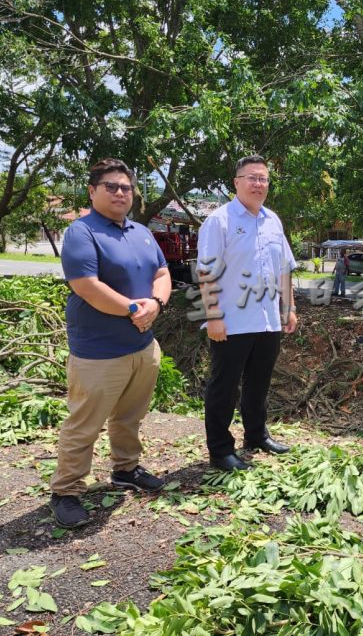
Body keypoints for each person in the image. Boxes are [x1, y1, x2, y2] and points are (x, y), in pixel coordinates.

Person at [50, 158, 172, 529]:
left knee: (129, 417)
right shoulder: (82, 232)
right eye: (111, 187)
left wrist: (157, 303)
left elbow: (162, 272)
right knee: (84, 424)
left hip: (142, 346)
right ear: (92, 191)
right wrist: (137, 309)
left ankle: (126, 469)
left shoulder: (141, 231)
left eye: (126, 187)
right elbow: (86, 287)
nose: (121, 193)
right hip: (98, 352)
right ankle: (66, 491)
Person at [197, 154, 298, 471]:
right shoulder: (220, 221)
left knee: (259, 383)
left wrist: (289, 308)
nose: (258, 184)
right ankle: (220, 450)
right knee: (224, 387)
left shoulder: (273, 220)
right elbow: (207, 272)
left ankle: (256, 435)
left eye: (264, 178)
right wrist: (213, 315)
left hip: (268, 320)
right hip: (231, 321)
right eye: (252, 177)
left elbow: (284, 269)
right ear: (236, 182)